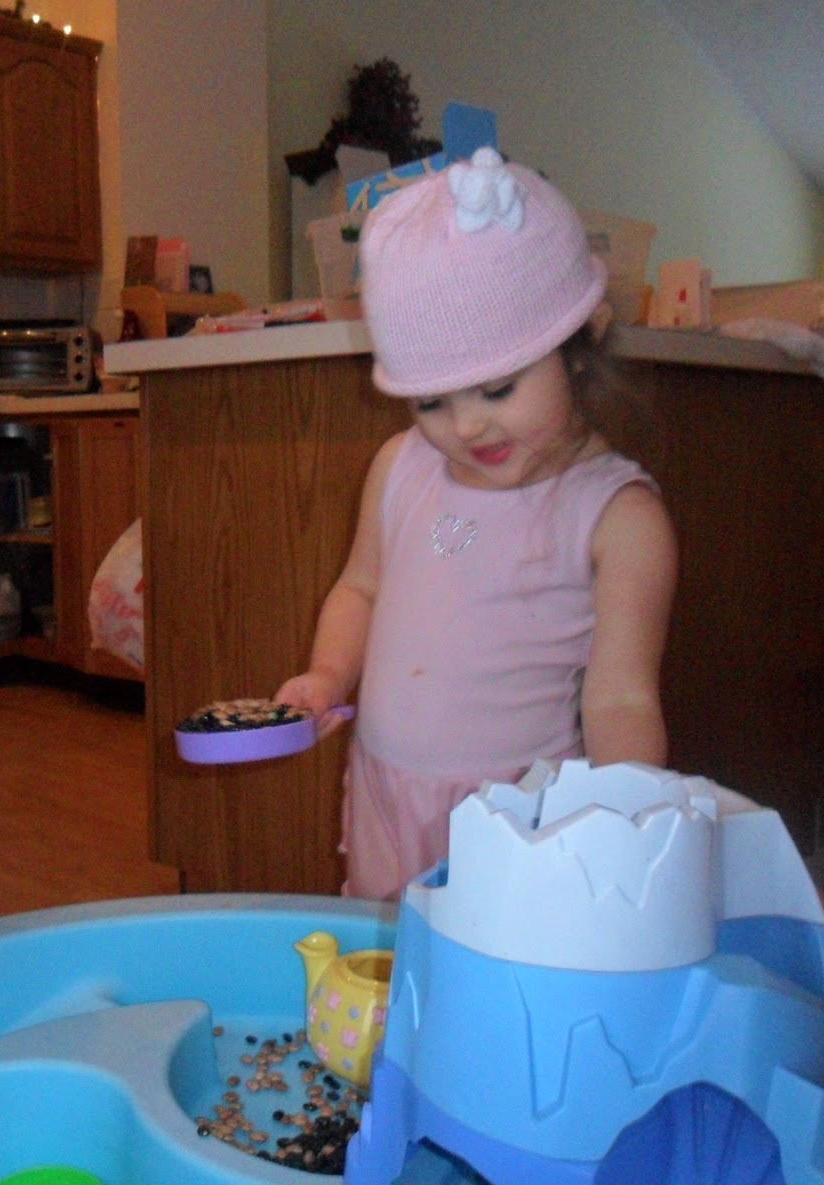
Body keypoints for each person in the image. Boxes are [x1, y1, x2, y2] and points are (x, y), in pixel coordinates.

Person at [275, 148, 678, 903]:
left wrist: (624, 833)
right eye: (430, 401)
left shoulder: (618, 517)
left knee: (499, 966)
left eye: (497, 389)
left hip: (515, 815)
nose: (464, 426)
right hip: (386, 793)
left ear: (580, 345)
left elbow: (622, 702)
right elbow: (360, 589)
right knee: (392, 958)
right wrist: (327, 675)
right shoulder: (401, 467)